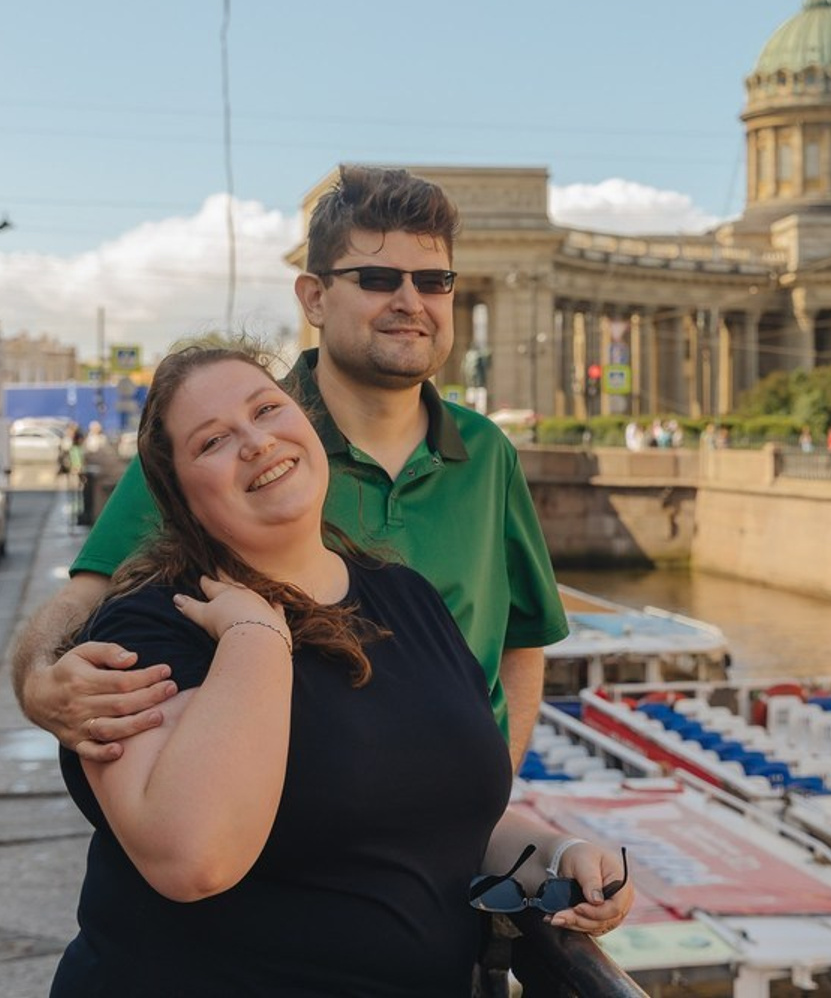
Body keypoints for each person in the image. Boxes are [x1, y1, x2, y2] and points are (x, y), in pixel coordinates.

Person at [51, 344, 630, 997]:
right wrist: (255, 639)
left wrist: (556, 856)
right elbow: (192, 857)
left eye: (267, 408)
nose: (255, 441)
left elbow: (436, 811)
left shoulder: (407, 597)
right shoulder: (149, 629)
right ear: (179, 498)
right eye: (213, 441)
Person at [12, 166, 568, 769]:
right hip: (274, 840)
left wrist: (490, 788)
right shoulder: (231, 449)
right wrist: (38, 680)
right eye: (378, 279)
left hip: (448, 850)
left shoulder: (487, 451)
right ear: (314, 298)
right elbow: (87, 595)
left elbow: (520, 641)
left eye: (434, 281)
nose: (411, 302)